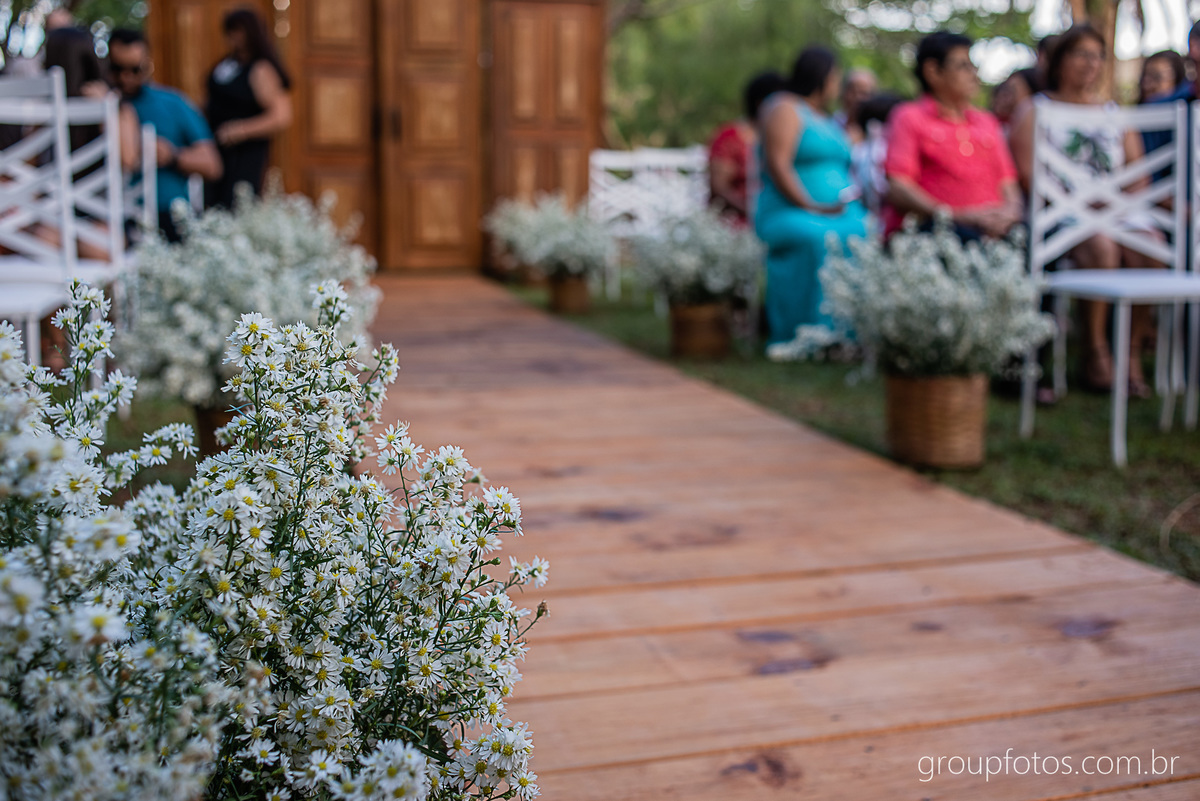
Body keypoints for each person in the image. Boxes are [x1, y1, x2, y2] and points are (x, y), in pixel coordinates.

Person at [1009, 25, 1160, 395]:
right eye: (1081, 54)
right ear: (1060, 60)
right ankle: (1095, 349)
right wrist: (1079, 203)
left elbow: (1139, 175)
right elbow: (1028, 176)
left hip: (1118, 210)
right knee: (1101, 245)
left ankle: (1130, 350)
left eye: (1097, 56)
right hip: (1062, 214)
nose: (1091, 64)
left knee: (1150, 244)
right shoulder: (1035, 110)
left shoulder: (1114, 112)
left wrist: (1114, 203)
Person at [755, 46, 868, 345]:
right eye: (836, 77)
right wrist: (811, 206)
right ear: (822, 76)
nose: (837, 85)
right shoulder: (784, 107)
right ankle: (805, 333)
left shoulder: (828, 119)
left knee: (864, 232)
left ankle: (850, 334)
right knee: (818, 237)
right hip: (789, 210)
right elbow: (778, 165)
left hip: (836, 212)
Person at [884, 31, 1021, 241]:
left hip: (995, 232)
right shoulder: (909, 118)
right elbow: (898, 186)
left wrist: (1009, 215)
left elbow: (1008, 182)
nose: (973, 74)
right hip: (939, 233)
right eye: (963, 66)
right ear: (932, 71)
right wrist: (955, 216)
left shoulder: (987, 121)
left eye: (972, 66)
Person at [107, 28, 221, 242]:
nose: (125, 77)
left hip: (169, 216)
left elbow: (213, 165)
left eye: (135, 69)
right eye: (117, 69)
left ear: (147, 65)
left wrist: (173, 156)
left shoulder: (172, 103)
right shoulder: (98, 106)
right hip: (112, 217)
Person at [204, 7, 292, 208]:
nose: (233, 37)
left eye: (238, 31)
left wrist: (240, 130)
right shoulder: (226, 65)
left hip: (244, 155)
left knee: (237, 203)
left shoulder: (260, 69)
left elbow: (281, 116)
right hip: (216, 151)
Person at [708, 71, 786, 227]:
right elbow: (719, 188)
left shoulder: (782, 137)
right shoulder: (731, 137)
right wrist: (752, 213)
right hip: (737, 225)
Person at [834, 68, 876, 145]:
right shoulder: (833, 123)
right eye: (853, 92)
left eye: (864, 93)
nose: (858, 98)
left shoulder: (877, 131)